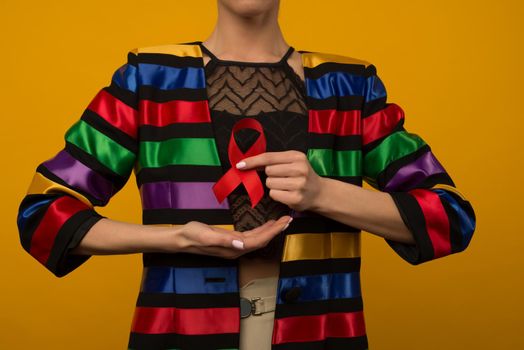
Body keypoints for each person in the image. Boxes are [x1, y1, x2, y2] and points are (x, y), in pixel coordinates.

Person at [16, 0, 477, 349]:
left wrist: (322, 193)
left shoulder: (349, 86)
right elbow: (43, 214)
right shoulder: (149, 78)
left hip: (321, 332)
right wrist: (176, 239)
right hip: (181, 331)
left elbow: (451, 217)